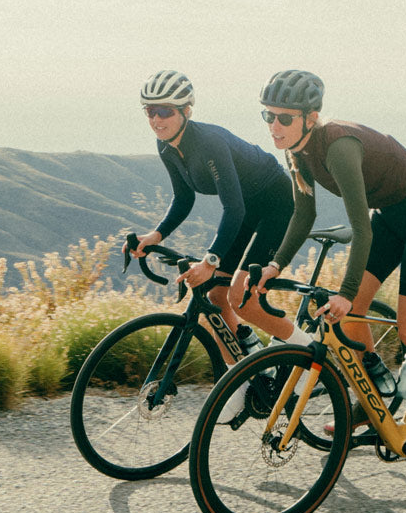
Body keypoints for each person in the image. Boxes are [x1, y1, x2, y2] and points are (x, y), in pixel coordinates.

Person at [251, 70, 406, 466]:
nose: (275, 125)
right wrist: (274, 264)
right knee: (351, 315)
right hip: (391, 215)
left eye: (284, 118)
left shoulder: (337, 146)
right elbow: (303, 214)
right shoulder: (296, 152)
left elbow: (360, 229)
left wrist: (345, 291)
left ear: (311, 117)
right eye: (268, 116)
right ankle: (373, 399)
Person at [129, 70, 307, 364]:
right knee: (216, 299)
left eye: (165, 111)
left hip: (277, 205)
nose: (156, 119)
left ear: (186, 111)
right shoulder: (166, 146)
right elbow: (184, 197)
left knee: (241, 298)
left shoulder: (209, 142)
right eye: (150, 111)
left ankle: (307, 354)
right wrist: (155, 235)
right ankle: (243, 377)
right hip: (247, 210)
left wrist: (210, 261)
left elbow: (233, 208)